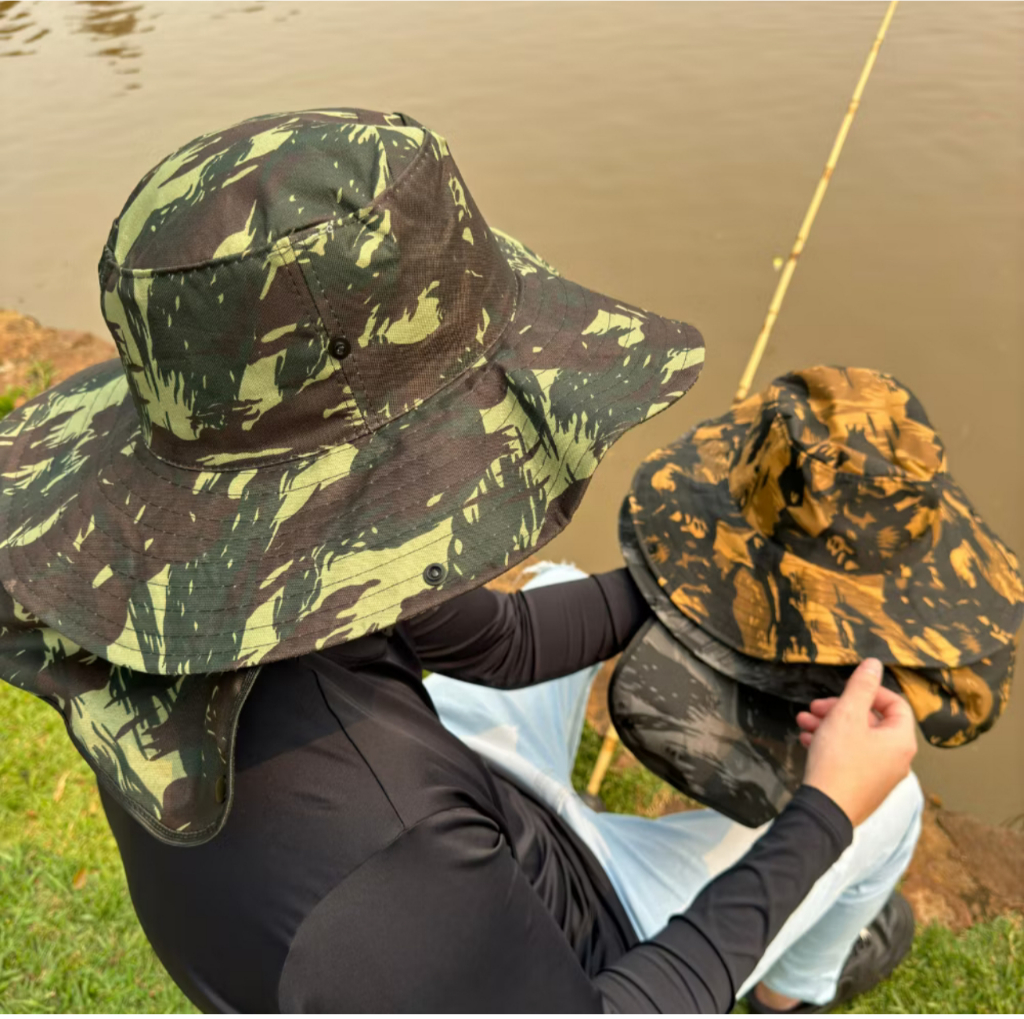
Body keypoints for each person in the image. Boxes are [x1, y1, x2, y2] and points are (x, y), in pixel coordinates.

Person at [0, 108, 922, 1013]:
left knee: (558, 586)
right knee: (890, 810)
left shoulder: (220, 578)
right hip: (556, 946)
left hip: (466, 834)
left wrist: (683, 579)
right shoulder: (384, 881)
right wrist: (828, 809)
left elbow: (506, 642)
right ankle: (780, 992)